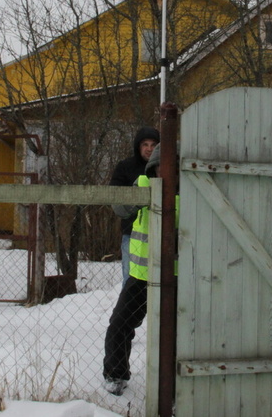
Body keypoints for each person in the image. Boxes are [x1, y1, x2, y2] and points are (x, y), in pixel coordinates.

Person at [103, 143, 168, 396]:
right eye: (160, 165)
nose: (165, 170)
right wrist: (139, 197)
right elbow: (119, 208)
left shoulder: (192, 188)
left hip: (176, 277)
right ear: (153, 167)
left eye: (170, 165)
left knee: (177, 333)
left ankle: (175, 385)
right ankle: (115, 375)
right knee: (119, 325)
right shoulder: (143, 183)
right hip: (142, 275)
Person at [109, 127, 160, 284]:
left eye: (153, 145)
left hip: (162, 232)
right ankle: (132, 309)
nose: (149, 149)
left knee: (160, 279)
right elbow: (114, 196)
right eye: (145, 144)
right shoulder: (125, 167)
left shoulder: (167, 168)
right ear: (138, 146)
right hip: (132, 234)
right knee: (131, 279)